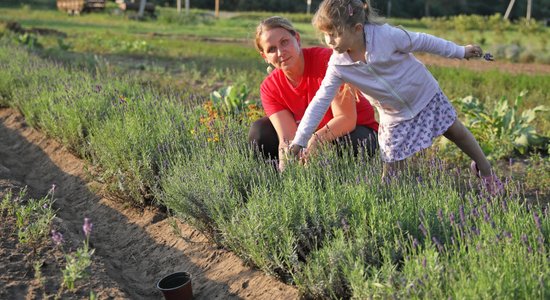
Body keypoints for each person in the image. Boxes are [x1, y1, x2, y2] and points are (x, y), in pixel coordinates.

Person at [289, 0, 503, 195]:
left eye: (334, 34)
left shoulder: (386, 36)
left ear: (357, 29)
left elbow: (424, 42)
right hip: (393, 113)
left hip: (425, 94)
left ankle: (485, 170)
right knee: (392, 161)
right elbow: (320, 100)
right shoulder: (338, 65)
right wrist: (300, 139)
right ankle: (386, 198)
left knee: (455, 131)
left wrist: (460, 51)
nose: (329, 41)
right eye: (325, 35)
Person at [249, 16, 379, 171]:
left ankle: (344, 184)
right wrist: (288, 166)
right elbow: (287, 138)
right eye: (271, 49)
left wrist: (315, 141)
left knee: (349, 144)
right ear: (265, 57)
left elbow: (346, 119)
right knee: (260, 131)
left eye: (284, 42)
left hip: (354, 131)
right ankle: (275, 182)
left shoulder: (329, 62)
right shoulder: (270, 87)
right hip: (311, 137)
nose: (280, 52)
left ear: (296, 38)